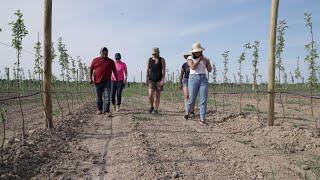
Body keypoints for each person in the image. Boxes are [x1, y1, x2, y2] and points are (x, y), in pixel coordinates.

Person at [184, 43, 212, 126]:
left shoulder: (205, 59)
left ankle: (202, 119)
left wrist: (208, 62)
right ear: (193, 52)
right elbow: (192, 67)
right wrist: (199, 60)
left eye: (199, 51)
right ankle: (187, 112)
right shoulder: (190, 58)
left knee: (203, 99)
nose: (198, 53)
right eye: (196, 51)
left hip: (203, 78)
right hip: (193, 78)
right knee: (192, 99)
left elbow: (210, 70)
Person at [90, 47, 118, 117]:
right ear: (100, 52)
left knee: (107, 96)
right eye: (103, 52)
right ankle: (99, 109)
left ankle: (107, 111)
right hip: (97, 81)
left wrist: (116, 79)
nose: (105, 53)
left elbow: (114, 70)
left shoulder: (111, 61)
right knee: (99, 97)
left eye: (106, 52)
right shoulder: (95, 60)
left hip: (107, 82)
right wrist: (90, 78)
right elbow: (91, 69)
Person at [146, 47, 166, 114]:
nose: (154, 55)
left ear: (158, 53)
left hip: (159, 80)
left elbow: (163, 70)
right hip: (151, 79)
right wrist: (146, 78)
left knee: (157, 95)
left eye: (155, 54)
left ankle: (156, 109)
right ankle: (152, 106)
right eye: (153, 54)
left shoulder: (162, 60)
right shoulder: (149, 60)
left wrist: (162, 80)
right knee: (150, 95)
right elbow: (147, 69)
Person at [179, 53, 195, 117]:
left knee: (192, 96)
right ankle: (186, 111)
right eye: (188, 57)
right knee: (186, 95)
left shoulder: (194, 64)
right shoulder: (184, 65)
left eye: (190, 56)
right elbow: (181, 75)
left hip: (193, 80)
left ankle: (192, 111)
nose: (189, 58)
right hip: (186, 80)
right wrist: (180, 83)